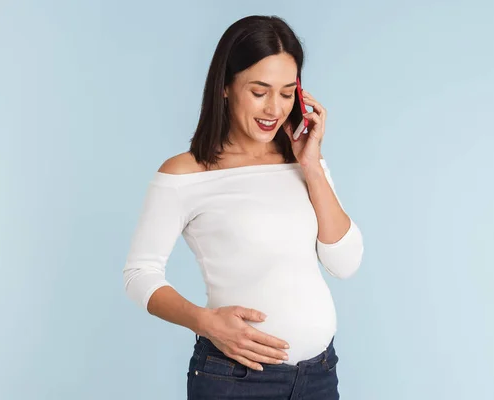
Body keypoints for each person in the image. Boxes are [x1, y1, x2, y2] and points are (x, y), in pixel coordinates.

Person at [122, 14, 364, 399]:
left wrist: (311, 166)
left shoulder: (306, 164)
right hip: (235, 379)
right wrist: (205, 322)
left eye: (287, 94)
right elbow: (139, 275)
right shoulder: (186, 173)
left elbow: (344, 263)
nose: (274, 109)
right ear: (226, 87)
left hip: (319, 375)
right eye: (259, 91)